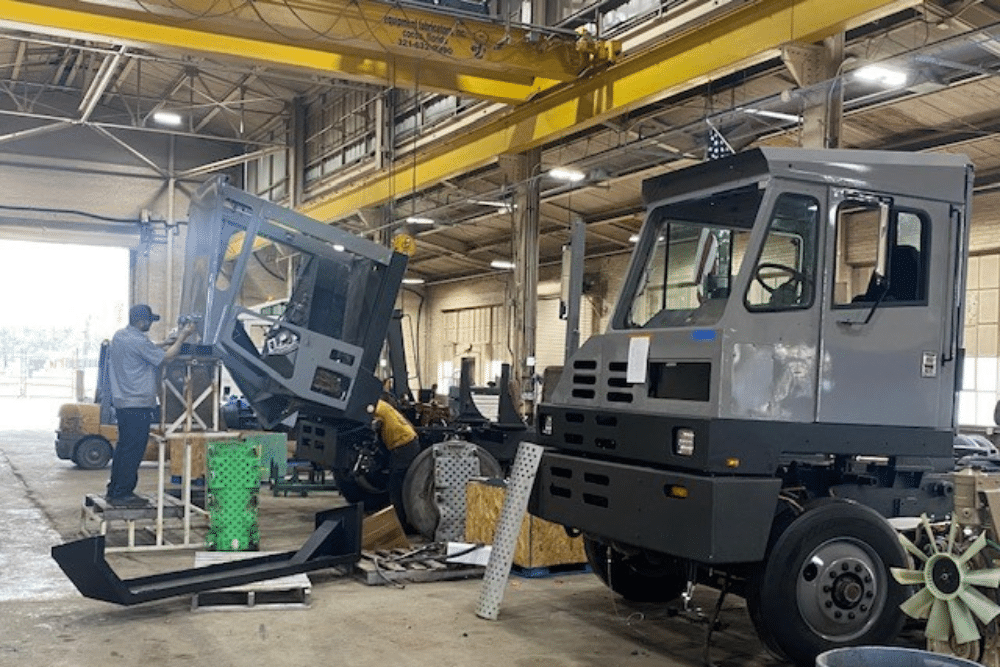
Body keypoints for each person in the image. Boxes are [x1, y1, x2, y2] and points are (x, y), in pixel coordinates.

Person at [104, 304, 195, 507]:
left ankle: (114, 489)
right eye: (149, 322)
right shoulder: (138, 341)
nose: (150, 325)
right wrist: (182, 337)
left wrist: (164, 342)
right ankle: (123, 493)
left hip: (123, 402)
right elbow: (166, 358)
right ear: (142, 321)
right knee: (134, 449)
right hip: (137, 402)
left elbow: (145, 349)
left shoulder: (120, 336)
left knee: (124, 447)